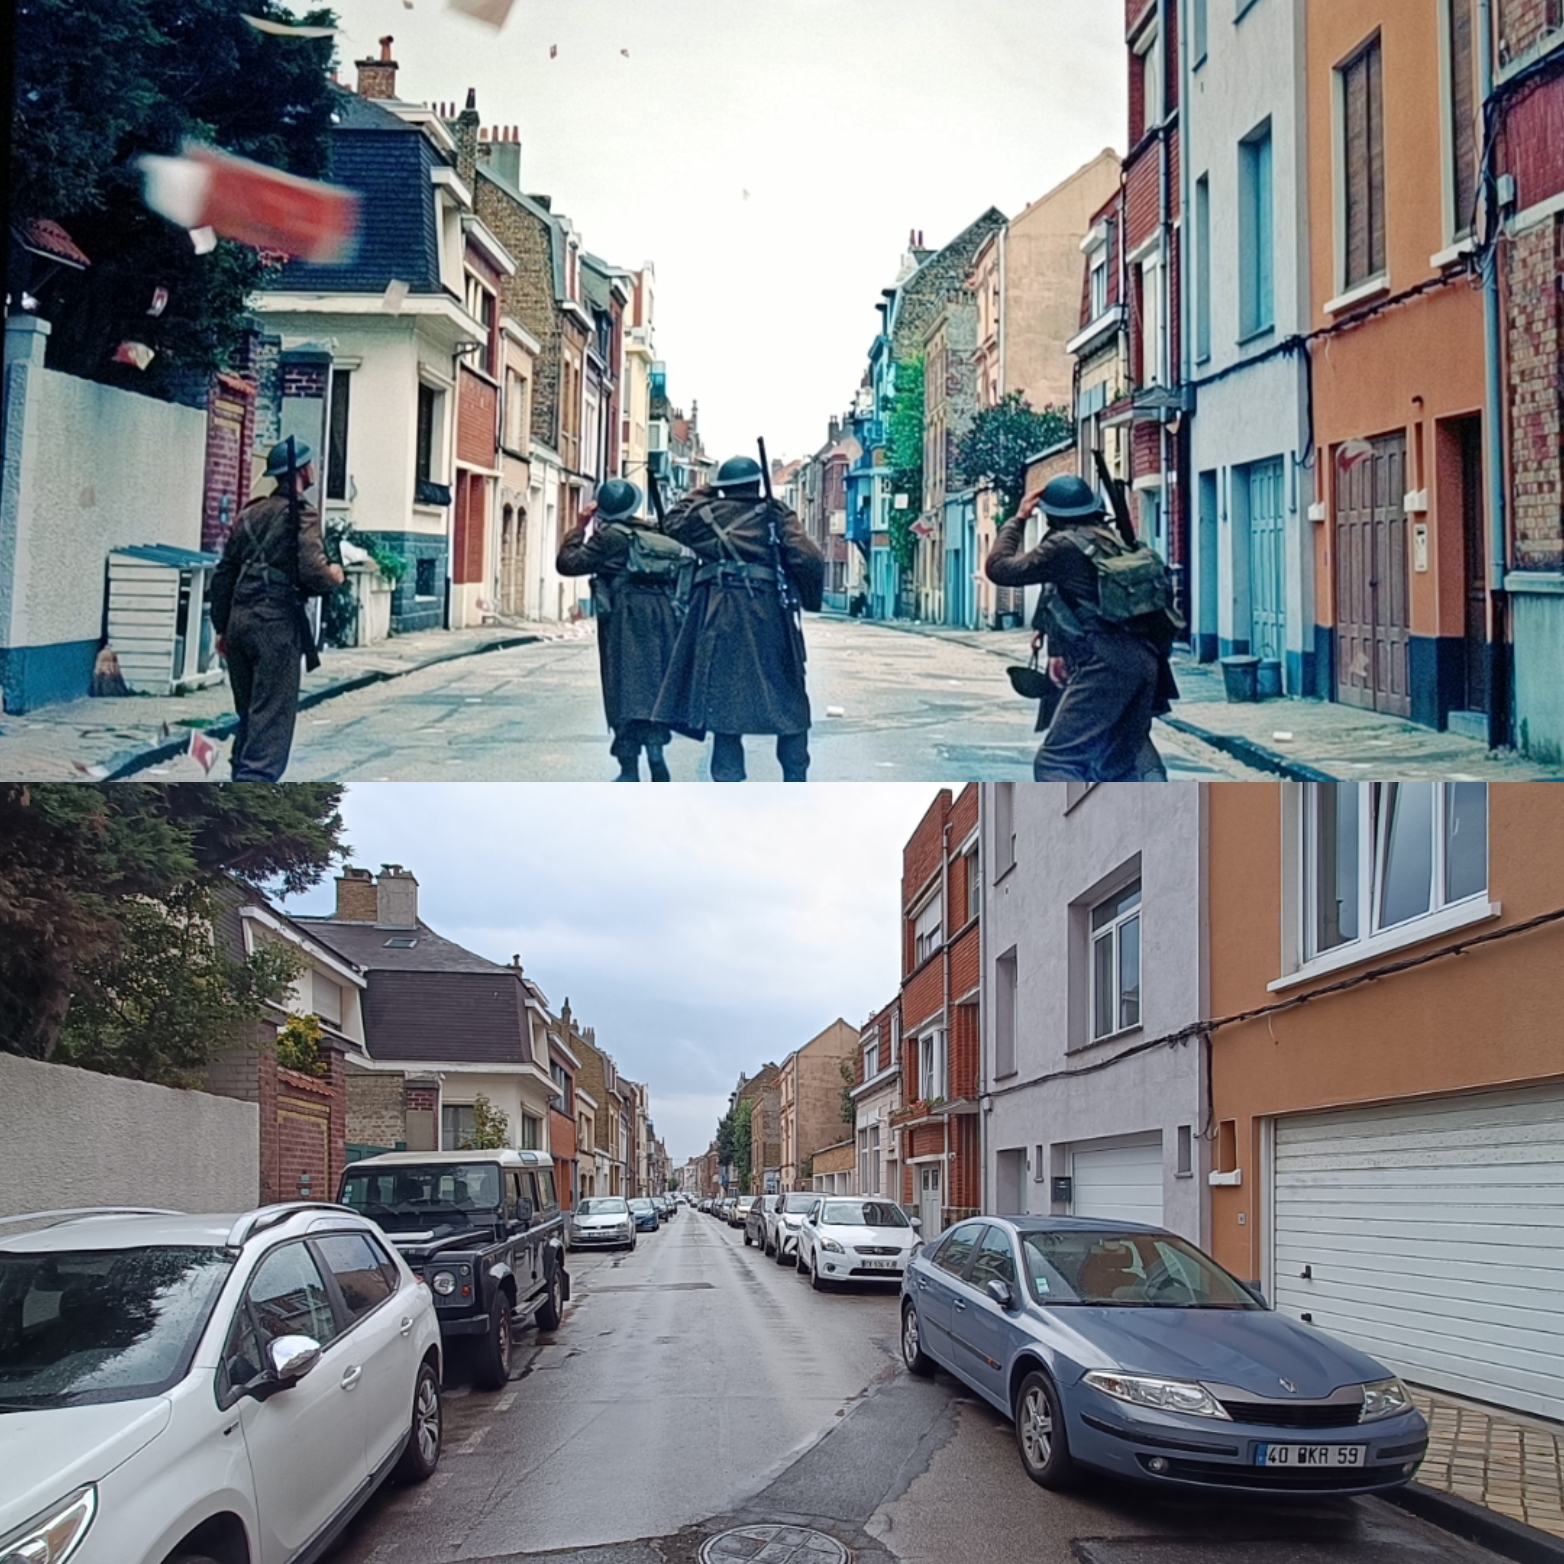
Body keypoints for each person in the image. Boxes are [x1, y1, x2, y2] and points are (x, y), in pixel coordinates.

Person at [985, 474, 1178, 781]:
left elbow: (1000, 569)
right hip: (1146, 660)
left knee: (1056, 762)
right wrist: (1050, 638)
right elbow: (1065, 592)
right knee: (1120, 762)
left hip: (1105, 662)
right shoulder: (1114, 540)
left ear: (1051, 515)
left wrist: (1018, 518)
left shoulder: (1064, 545)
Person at [652, 455, 825, 781]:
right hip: (770, 615)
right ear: (756, 484)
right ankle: (795, 779)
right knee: (787, 700)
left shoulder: (704, 515)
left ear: (721, 488)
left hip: (719, 617)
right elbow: (808, 557)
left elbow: (671, 520)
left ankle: (729, 786)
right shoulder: (776, 515)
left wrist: (705, 490)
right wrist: (808, 600)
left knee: (725, 708)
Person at [210, 439, 343, 781]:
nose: (313, 469)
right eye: (310, 464)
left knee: (250, 717)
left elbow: (225, 573)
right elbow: (313, 571)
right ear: (301, 471)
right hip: (275, 626)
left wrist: (222, 628)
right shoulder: (302, 513)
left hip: (239, 623)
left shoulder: (249, 512)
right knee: (270, 725)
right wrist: (334, 576)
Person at [556, 477, 691, 781]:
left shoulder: (610, 538)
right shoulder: (653, 532)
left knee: (623, 690)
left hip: (624, 617)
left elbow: (568, 563)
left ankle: (628, 767)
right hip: (662, 616)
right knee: (654, 688)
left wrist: (580, 525)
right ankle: (657, 755)